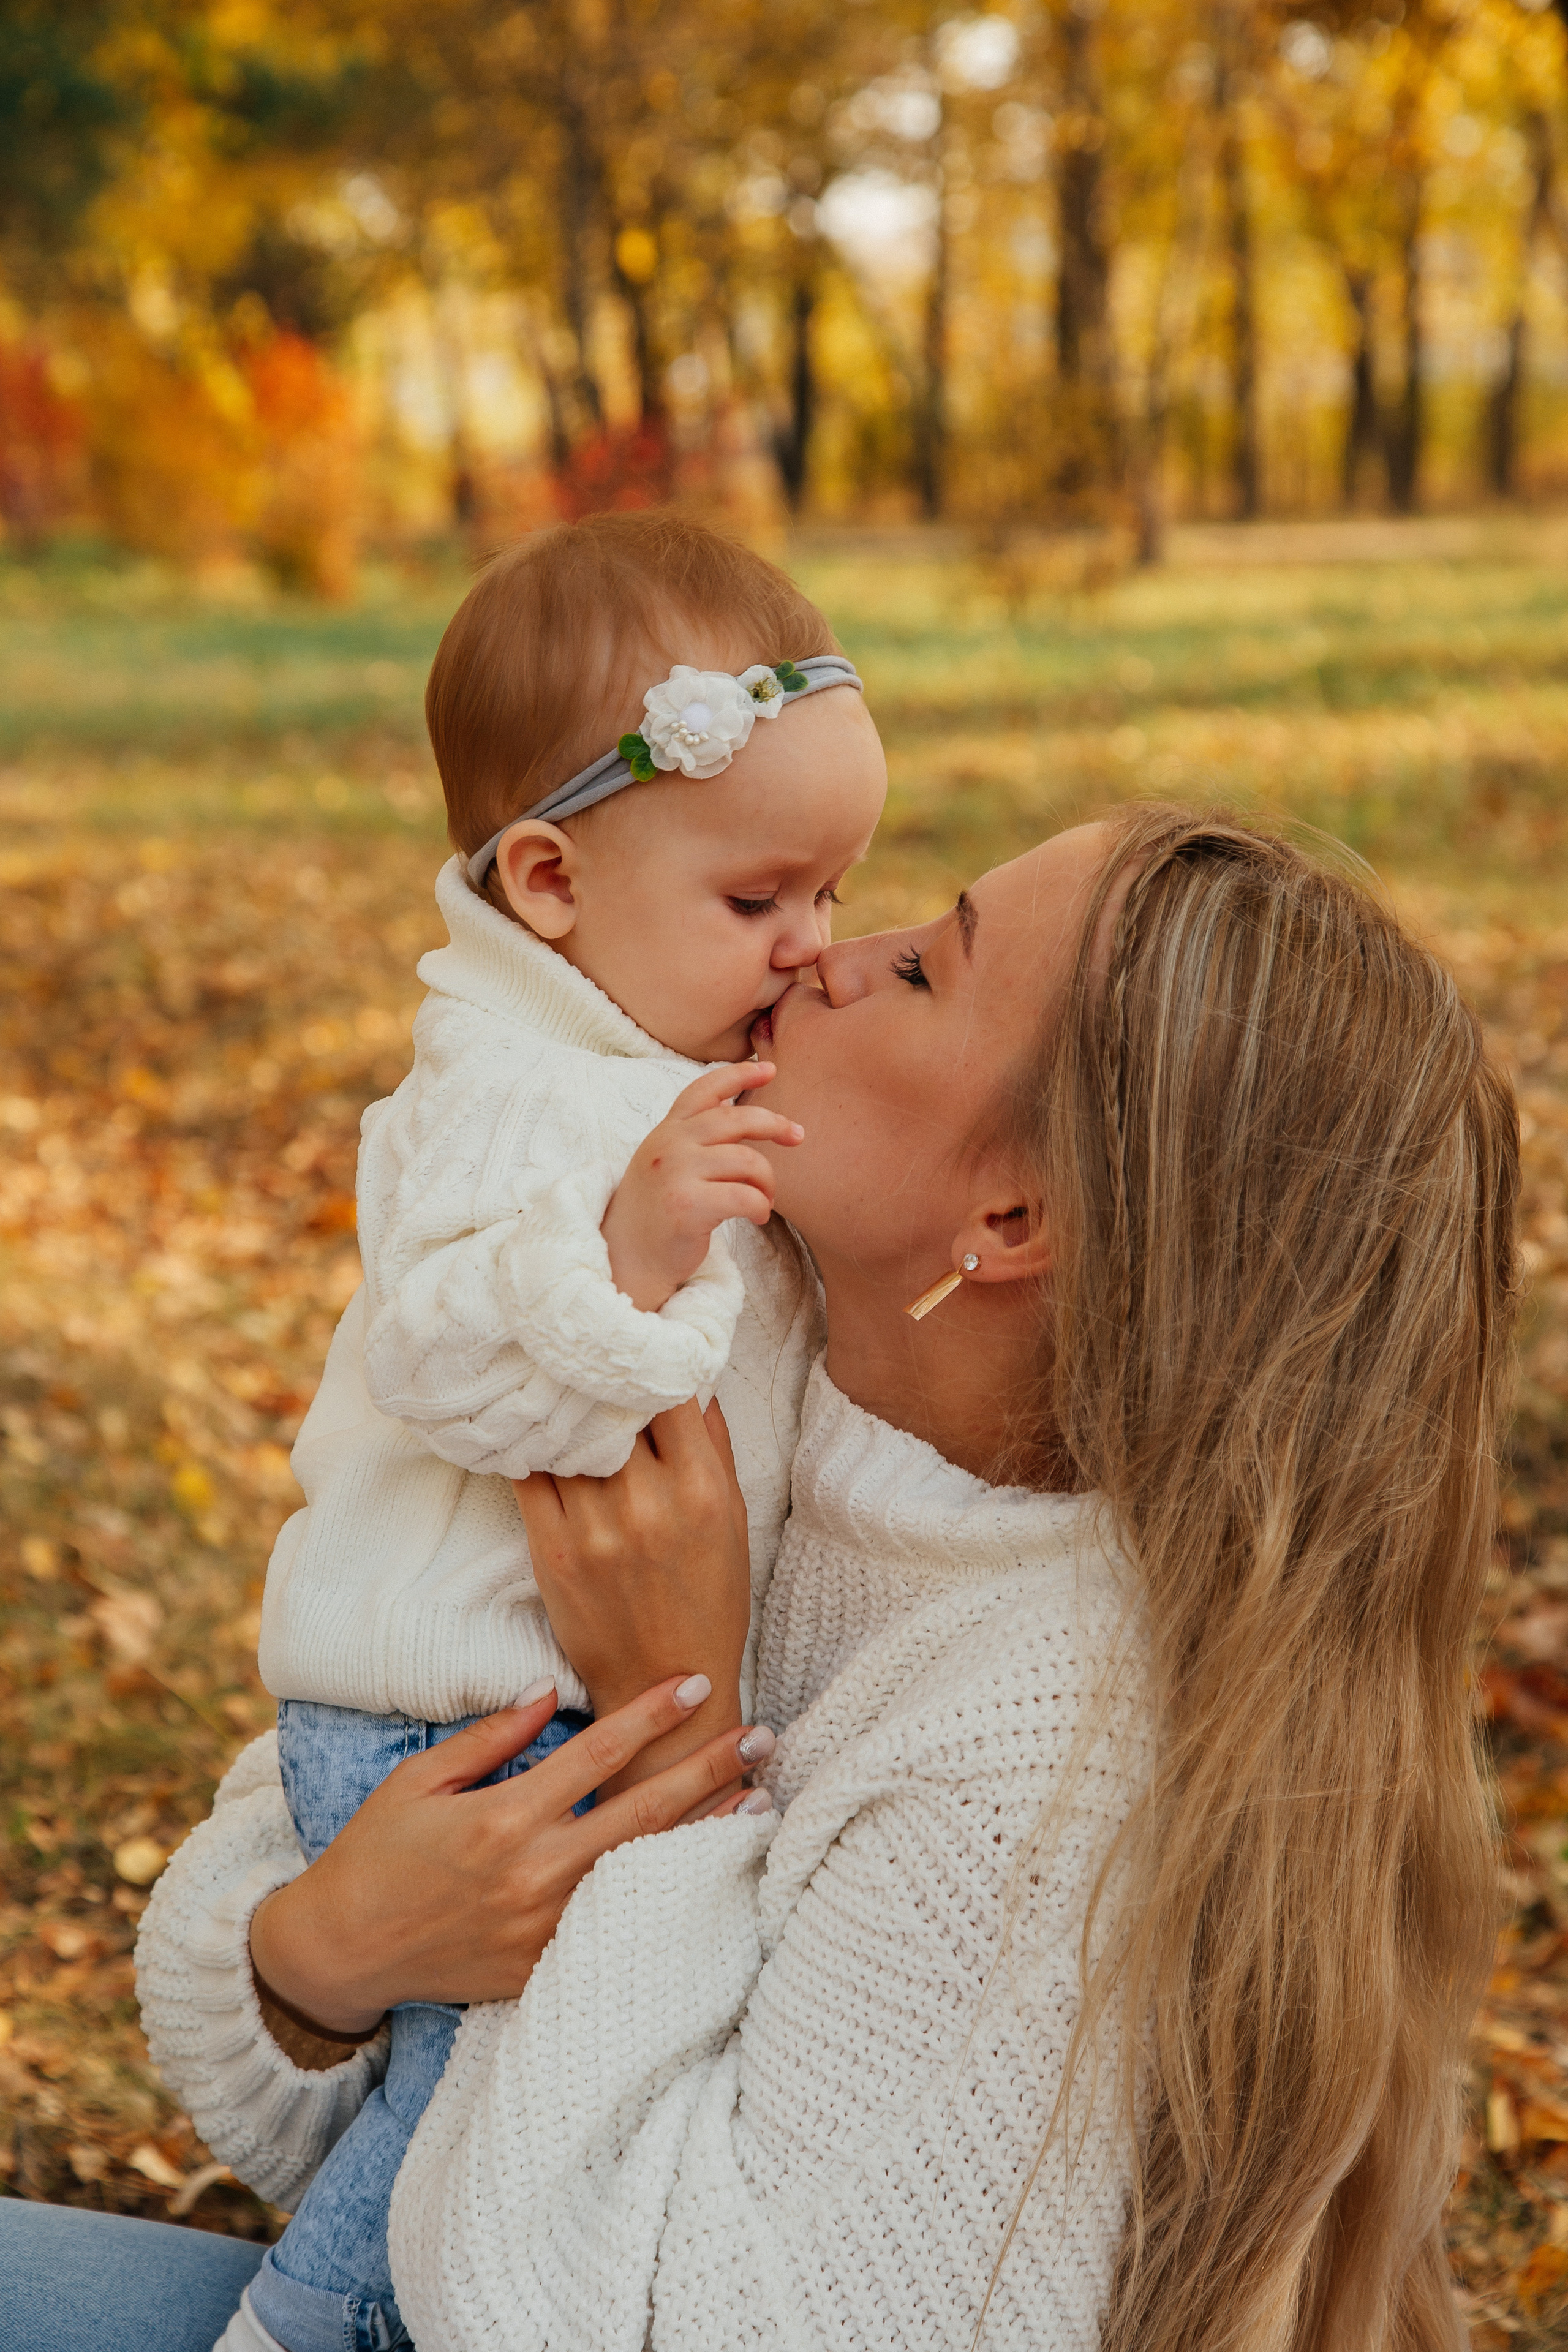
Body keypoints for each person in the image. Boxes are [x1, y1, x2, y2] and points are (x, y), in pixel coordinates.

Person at [3, 805, 1511, 2352]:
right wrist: (316, 1962)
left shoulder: (1042, 1760)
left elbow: (581, 2317)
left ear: (1013, 1219)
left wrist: (675, 1738)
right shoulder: (709, 1365)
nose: (825, 952)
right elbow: (361, 2098)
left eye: (924, 969)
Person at [227, 512, 887, 2350]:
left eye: (840, 893)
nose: (810, 948)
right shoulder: (511, 1086)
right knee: (475, 2120)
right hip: (450, 1728)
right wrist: (630, 1244)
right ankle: (314, 2324)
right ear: (549, 882)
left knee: (492, 2110)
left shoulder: (640, 1056)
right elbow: (441, 1354)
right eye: (762, 902)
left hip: (533, 1713)